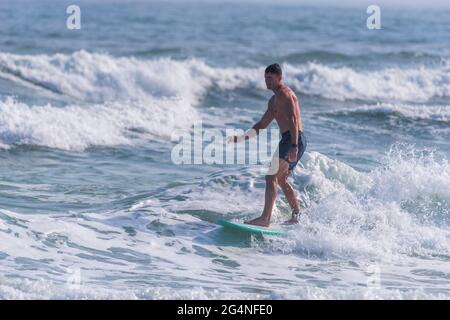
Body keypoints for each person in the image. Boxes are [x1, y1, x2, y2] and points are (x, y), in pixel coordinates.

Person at [227, 63, 306, 227]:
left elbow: (292, 119)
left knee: (271, 177)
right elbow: (261, 125)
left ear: (279, 78)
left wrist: (293, 145)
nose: (267, 81)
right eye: (265, 78)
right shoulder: (273, 101)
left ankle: (265, 219)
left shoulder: (285, 94)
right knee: (281, 179)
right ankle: (297, 216)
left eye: (270, 78)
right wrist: (241, 138)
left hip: (293, 139)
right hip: (291, 139)